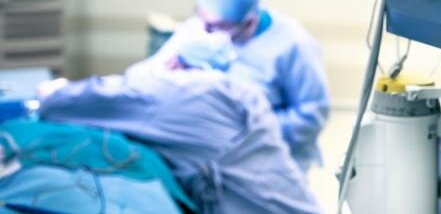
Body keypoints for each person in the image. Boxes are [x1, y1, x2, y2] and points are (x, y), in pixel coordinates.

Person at [38, 33, 324, 214]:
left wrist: (54, 91)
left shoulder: (175, 91)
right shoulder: (243, 92)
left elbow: (76, 100)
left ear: (174, 63)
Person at [133, 0, 330, 171]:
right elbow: (147, 74)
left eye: (216, 26)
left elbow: (311, 115)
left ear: (249, 23)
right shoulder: (199, 26)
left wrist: (247, 131)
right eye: (202, 19)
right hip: (203, 152)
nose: (206, 31)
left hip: (268, 158)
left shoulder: (294, 45)